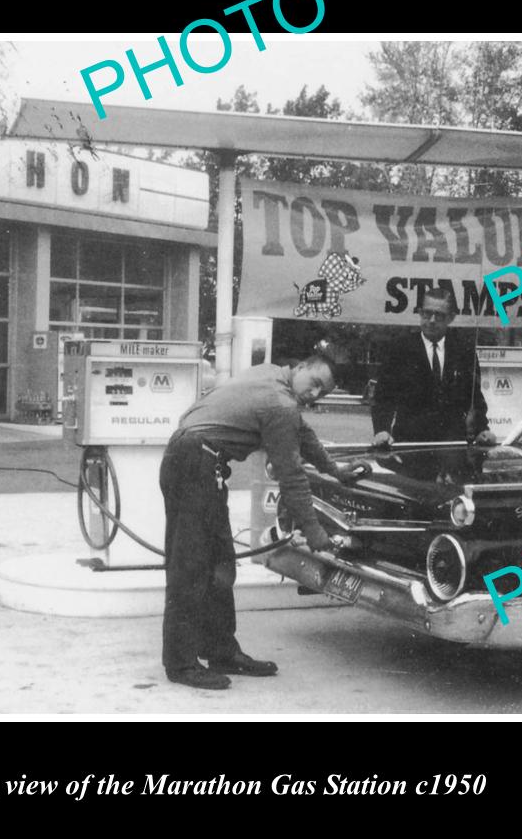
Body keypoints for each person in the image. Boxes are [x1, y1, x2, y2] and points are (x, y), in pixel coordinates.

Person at [159, 353, 349, 690]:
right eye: (315, 383)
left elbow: (302, 434)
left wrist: (334, 470)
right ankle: (181, 663)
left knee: (220, 565)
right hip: (195, 463)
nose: (315, 394)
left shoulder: (271, 374)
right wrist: (316, 532)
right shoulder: (280, 403)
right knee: (190, 567)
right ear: (301, 367)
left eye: (324, 392)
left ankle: (221, 651)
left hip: (194, 459)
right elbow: (292, 476)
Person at [371, 288, 497, 447]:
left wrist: (482, 430)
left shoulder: (464, 350)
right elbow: (383, 397)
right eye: (426, 313)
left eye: (439, 315)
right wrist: (382, 430)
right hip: (408, 447)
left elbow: (474, 398)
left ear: (451, 318)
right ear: (420, 313)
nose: (431, 320)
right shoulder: (399, 349)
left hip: (453, 448)